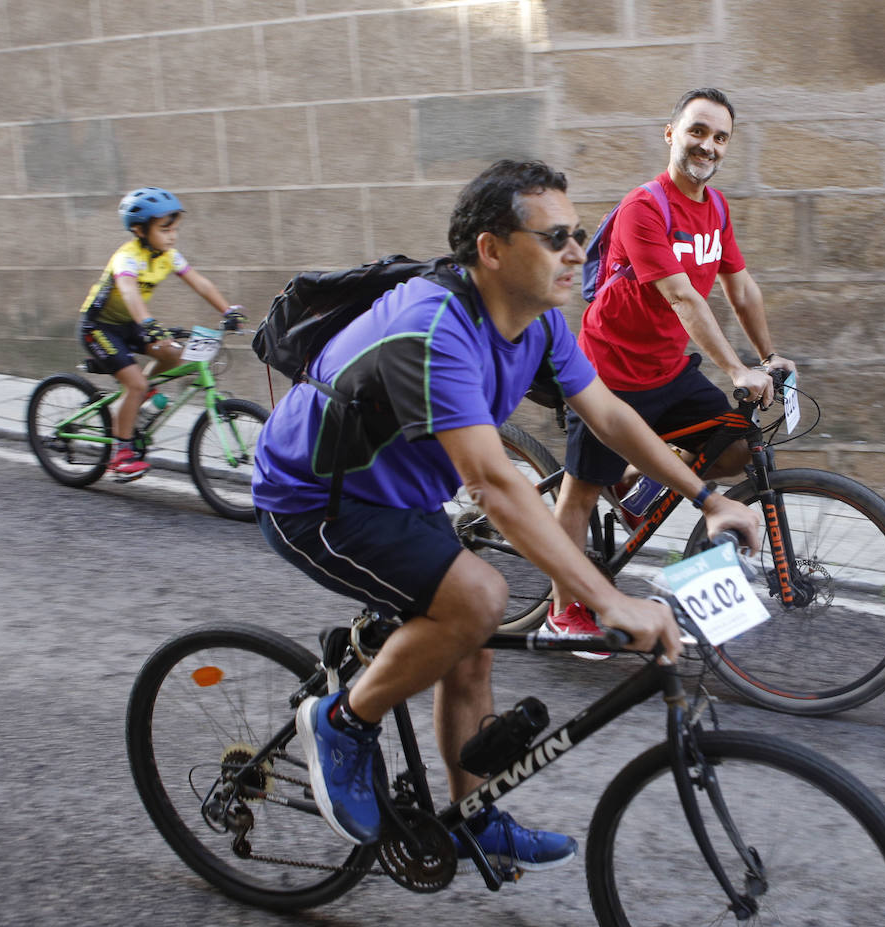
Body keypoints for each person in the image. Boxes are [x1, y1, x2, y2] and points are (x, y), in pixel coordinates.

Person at [251, 160, 760, 871]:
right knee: (479, 598)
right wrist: (610, 601)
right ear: (491, 250)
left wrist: (709, 498)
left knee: (472, 635)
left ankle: (469, 817)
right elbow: (492, 482)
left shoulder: (540, 323)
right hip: (317, 500)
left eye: (580, 234)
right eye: (556, 238)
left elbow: (609, 414)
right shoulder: (436, 330)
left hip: (399, 495)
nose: (580, 251)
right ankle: (341, 723)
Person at [545, 87, 798, 640]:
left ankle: (638, 480)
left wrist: (768, 354)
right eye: (698, 131)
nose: (708, 145)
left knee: (731, 446)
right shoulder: (646, 206)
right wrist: (736, 370)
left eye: (720, 137)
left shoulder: (716, 209)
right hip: (607, 371)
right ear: (671, 134)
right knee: (583, 488)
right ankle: (564, 610)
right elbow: (684, 298)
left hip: (666, 367)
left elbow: (741, 288)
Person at [79, 187, 244, 479]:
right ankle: (122, 452)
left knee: (172, 353)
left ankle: (138, 395)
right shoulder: (127, 257)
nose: (172, 236)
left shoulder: (168, 255)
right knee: (136, 384)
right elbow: (129, 293)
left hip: (130, 325)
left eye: (175, 229)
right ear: (140, 230)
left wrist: (227, 310)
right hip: (99, 328)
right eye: (165, 229)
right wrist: (149, 324)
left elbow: (200, 284)